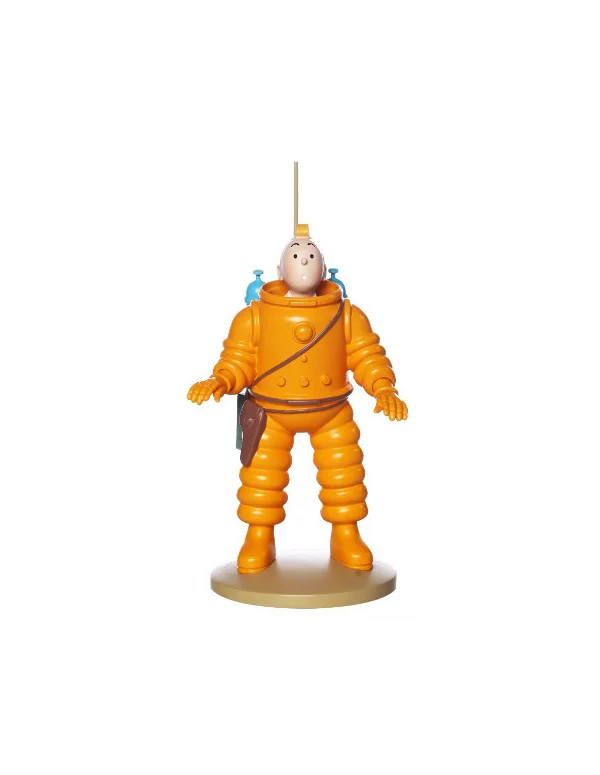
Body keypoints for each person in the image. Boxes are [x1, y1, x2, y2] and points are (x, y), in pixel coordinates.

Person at [188, 233, 407, 573]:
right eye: (295, 255)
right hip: (271, 412)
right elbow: (239, 359)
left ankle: (346, 534)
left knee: (344, 475)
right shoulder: (254, 317)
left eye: (310, 255)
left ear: (324, 270)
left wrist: (383, 388)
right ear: (279, 270)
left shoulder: (346, 315)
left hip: (331, 411)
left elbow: (366, 355)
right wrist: (221, 380)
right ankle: (259, 535)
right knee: (261, 478)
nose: (303, 259)